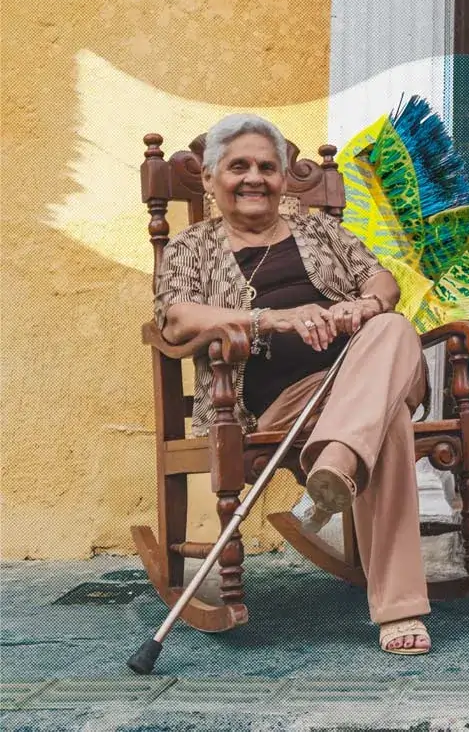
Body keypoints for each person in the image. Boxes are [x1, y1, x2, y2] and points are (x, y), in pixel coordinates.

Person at [153, 114, 433, 655]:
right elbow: (177, 320)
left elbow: (380, 278)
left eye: (267, 166)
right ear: (210, 179)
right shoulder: (191, 247)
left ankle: (336, 460)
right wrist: (273, 319)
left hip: (355, 372)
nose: (254, 177)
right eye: (238, 167)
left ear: (283, 179)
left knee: (392, 325)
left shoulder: (317, 230)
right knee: (391, 419)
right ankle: (395, 600)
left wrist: (365, 303)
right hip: (278, 408)